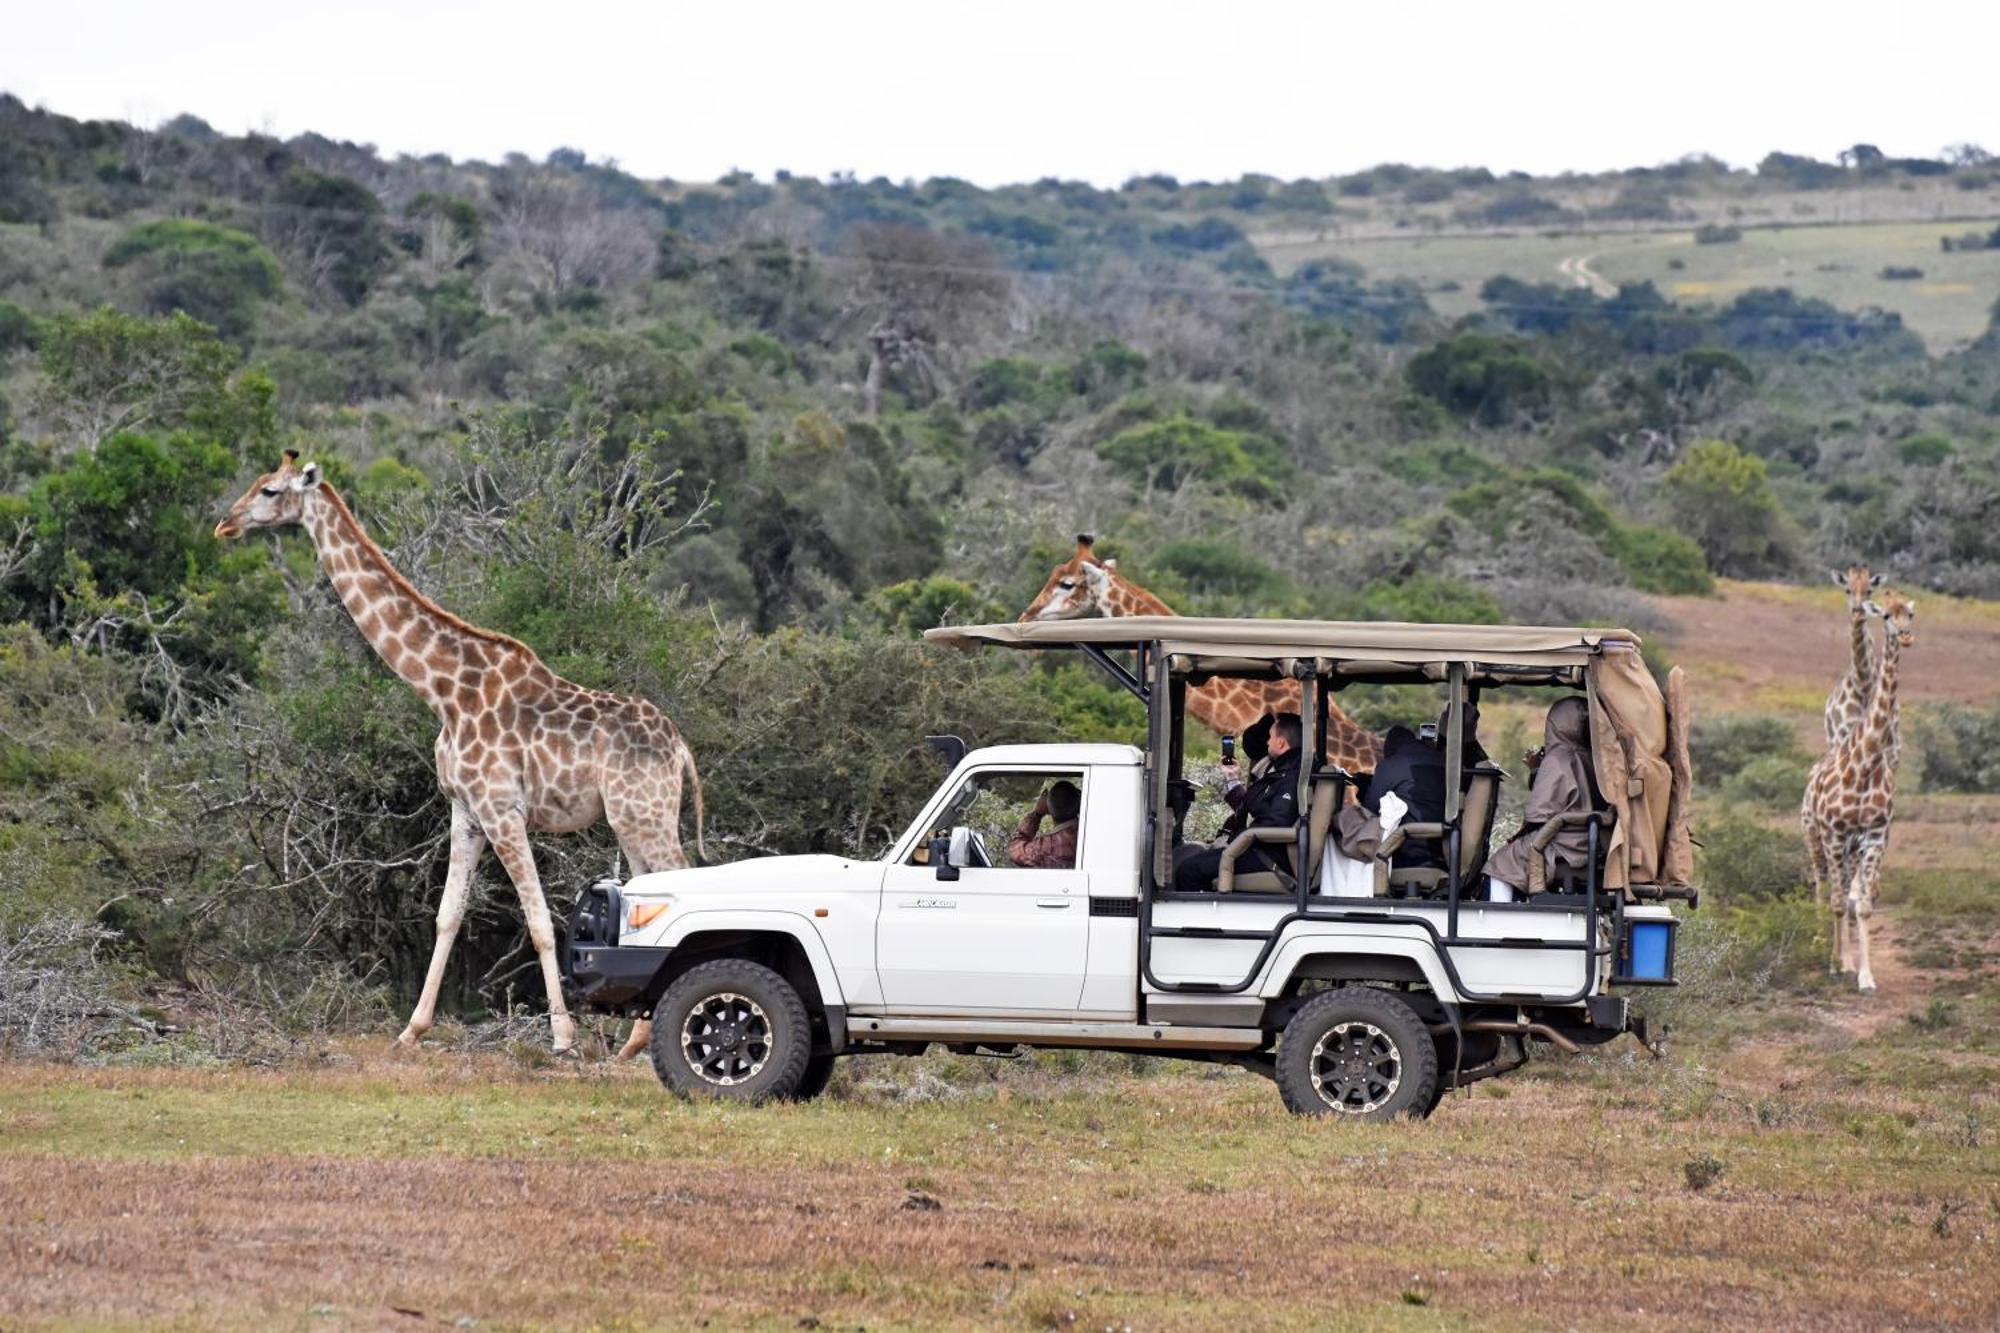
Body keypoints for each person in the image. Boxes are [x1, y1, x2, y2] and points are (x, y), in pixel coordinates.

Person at [1484, 696, 1598, 900]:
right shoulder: (1593, 758)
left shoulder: (1557, 759)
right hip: (1588, 842)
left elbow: (1538, 814)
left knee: (1500, 864)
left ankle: (1499, 918)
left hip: (1560, 845)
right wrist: (1538, 771)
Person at [1173, 714, 1303, 891]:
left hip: (1267, 855)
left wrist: (1240, 839)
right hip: (1259, 848)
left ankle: (1202, 919)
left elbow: (1278, 821)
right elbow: (1256, 808)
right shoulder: (1284, 770)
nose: (1267, 743)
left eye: (1270, 738)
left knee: (1189, 870)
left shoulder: (1290, 775)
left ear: (1280, 743)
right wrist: (1232, 778)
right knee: (1194, 859)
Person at [1009, 780, 1081, 869]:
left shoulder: (1047, 846)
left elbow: (1015, 851)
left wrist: (1037, 813)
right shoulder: (1090, 834)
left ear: (1048, 807)